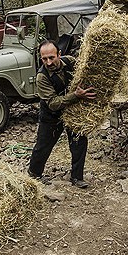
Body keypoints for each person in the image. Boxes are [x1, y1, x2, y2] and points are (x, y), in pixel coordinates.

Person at [28, 39, 96, 188]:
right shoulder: (42, 77)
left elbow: (83, 73)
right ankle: (34, 174)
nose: (48, 62)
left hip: (72, 111)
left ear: (59, 54)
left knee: (79, 142)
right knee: (44, 145)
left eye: (51, 57)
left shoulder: (70, 61)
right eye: (44, 59)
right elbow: (53, 103)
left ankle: (77, 177)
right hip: (52, 115)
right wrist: (76, 96)